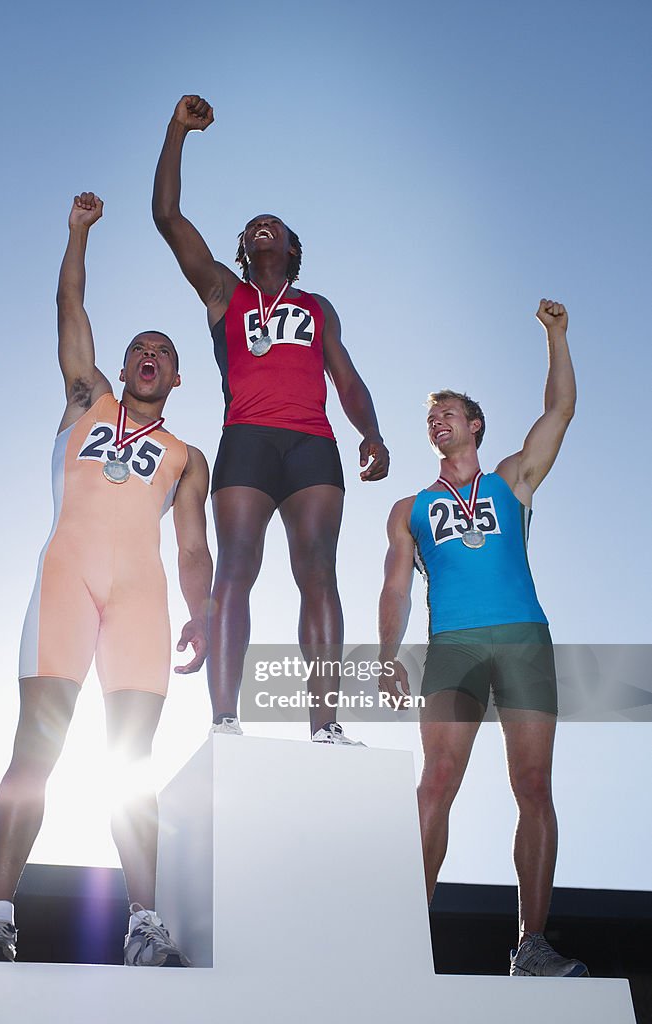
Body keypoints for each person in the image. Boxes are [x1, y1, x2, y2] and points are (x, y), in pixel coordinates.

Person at [0, 192, 212, 968]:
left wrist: (200, 613)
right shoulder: (85, 399)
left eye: (161, 351)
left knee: (131, 765)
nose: (147, 355)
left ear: (176, 376)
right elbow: (69, 301)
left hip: (140, 600)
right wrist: (77, 234)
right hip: (67, 583)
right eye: (138, 345)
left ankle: (142, 923)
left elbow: (194, 547)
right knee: (35, 750)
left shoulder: (187, 456)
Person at [153, 95, 389, 744]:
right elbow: (166, 215)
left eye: (274, 225)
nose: (263, 227)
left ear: (290, 247)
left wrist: (370, 431)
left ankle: (326, 725)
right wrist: (178, 130)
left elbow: (343, 374)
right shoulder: (222, 293)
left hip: (313, 442)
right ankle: (225, 721)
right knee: (235, 567)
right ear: (242, 247)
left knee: (318, 569)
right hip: (248, 439)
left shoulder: (316, 305)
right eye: (253, 224)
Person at [378, 300, 586, 976]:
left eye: (448, 412)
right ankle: (401, 936)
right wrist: (386, 658)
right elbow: (395, 588)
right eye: (428, 416)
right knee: (436, 781)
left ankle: (530, 945)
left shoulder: (510, 479)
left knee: (532, 783)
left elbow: (557, 413)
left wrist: (554, 336)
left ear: (473, 425)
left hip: (523, 637)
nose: (436, 420)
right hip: (453, 648)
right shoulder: (408, 507)